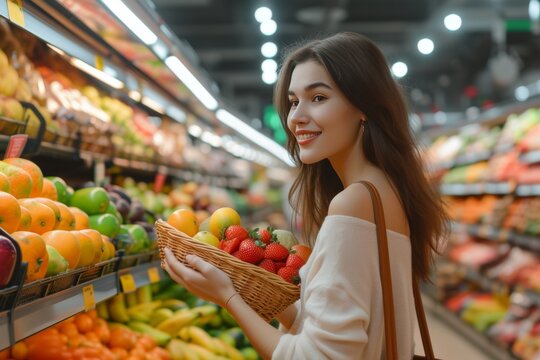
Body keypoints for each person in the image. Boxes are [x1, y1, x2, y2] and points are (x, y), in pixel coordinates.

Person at [163, 32, 447, 359]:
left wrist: (228, 297)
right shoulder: (387, 191)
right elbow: (334, 330)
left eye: (319, 98)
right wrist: (251, 287)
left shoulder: (354, 203)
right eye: (294, 101)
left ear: (364, 107)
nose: (296, 117)